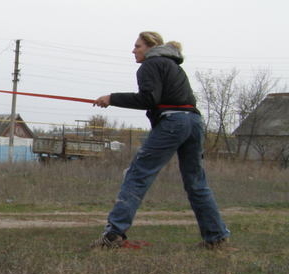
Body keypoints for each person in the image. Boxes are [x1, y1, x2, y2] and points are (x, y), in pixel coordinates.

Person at [91, 31, 230, 249]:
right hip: (194, 122)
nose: (133, 50)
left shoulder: (150, 64)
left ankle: (113, 235)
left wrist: (112, 98)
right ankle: (216, 237)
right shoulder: (174, 66)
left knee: (137, 174)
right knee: (196, 183)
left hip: (173, 123)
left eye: (137, 46)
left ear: (150, 47)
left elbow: (148, 99)